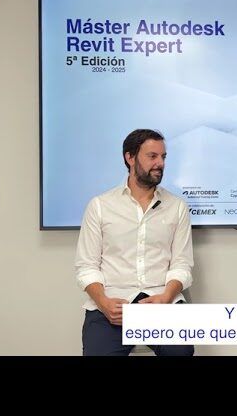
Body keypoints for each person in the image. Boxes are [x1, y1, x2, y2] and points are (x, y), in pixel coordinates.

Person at [75, 129, 195, 356]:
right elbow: (86, 267)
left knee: (180, 352)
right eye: (152, 156)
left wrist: (166, 298)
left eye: (163, 157)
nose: (160, 163)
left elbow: (182, 265)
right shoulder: (100, 206)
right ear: (130, 157)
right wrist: (103, 302)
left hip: (162, 301)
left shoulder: (177, 207)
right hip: (112, 304)